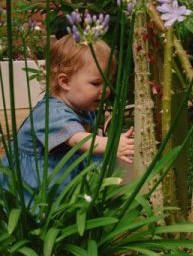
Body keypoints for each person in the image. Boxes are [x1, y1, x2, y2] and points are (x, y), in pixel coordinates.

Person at [1, 35, 134, 198]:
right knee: (38, 210)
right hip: (34, 178)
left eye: (108, 81)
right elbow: (78, 139)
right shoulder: (52, 113)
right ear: (65, 82)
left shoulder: (80, 104)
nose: (105, 89)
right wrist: (113, 145)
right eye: (96, 83)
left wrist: (105, 126)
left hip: (59, 169)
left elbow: (90, 124)